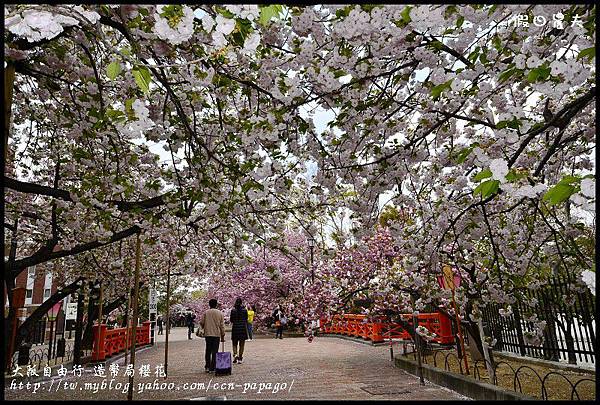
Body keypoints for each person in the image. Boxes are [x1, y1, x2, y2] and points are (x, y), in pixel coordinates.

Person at [199, 299, 225, 373]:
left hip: (208, 334)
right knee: (215, 351)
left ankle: (207, 366)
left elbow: (201, 322)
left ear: (209, 304)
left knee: (208, 350)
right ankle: (213, 367)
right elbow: (222, 325)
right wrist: (222, 334)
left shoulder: (206, 313)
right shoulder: (220, 313)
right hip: (216, 334)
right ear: (216, 304)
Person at [230, 298, 248, 364]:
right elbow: (246, 319)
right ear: (241, 303)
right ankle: (240, 358)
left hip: (235, 329)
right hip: (242, 329)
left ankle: (235, 355)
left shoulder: (233, 311)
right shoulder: (245, 310)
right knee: (242, 344)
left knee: (234, 344)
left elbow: (231, 320)